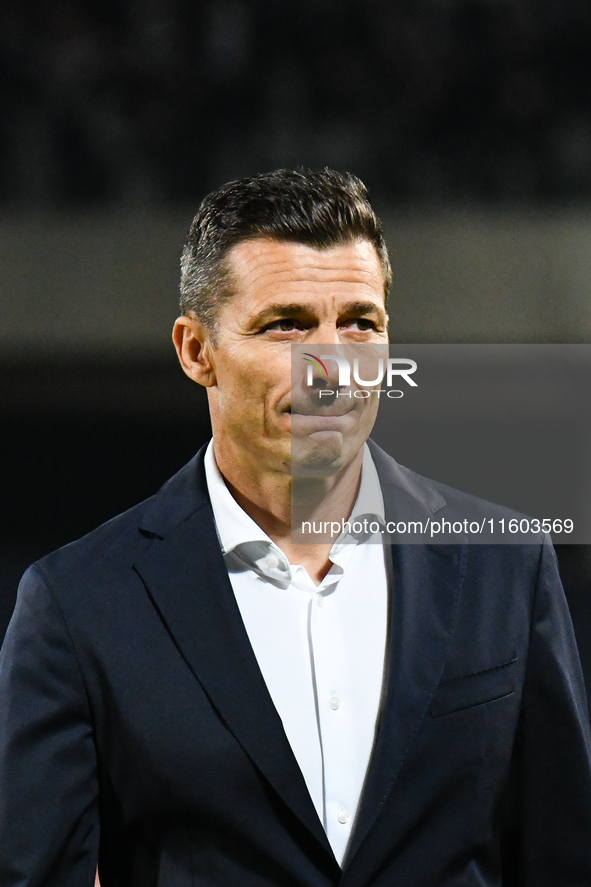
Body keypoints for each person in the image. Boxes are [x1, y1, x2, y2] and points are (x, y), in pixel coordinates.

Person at [0, 168, 590, 887]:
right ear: (196, 350)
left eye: (360, 324)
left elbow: (562, 856)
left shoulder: (505, 563)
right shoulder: (77, 604)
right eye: (286, 324)